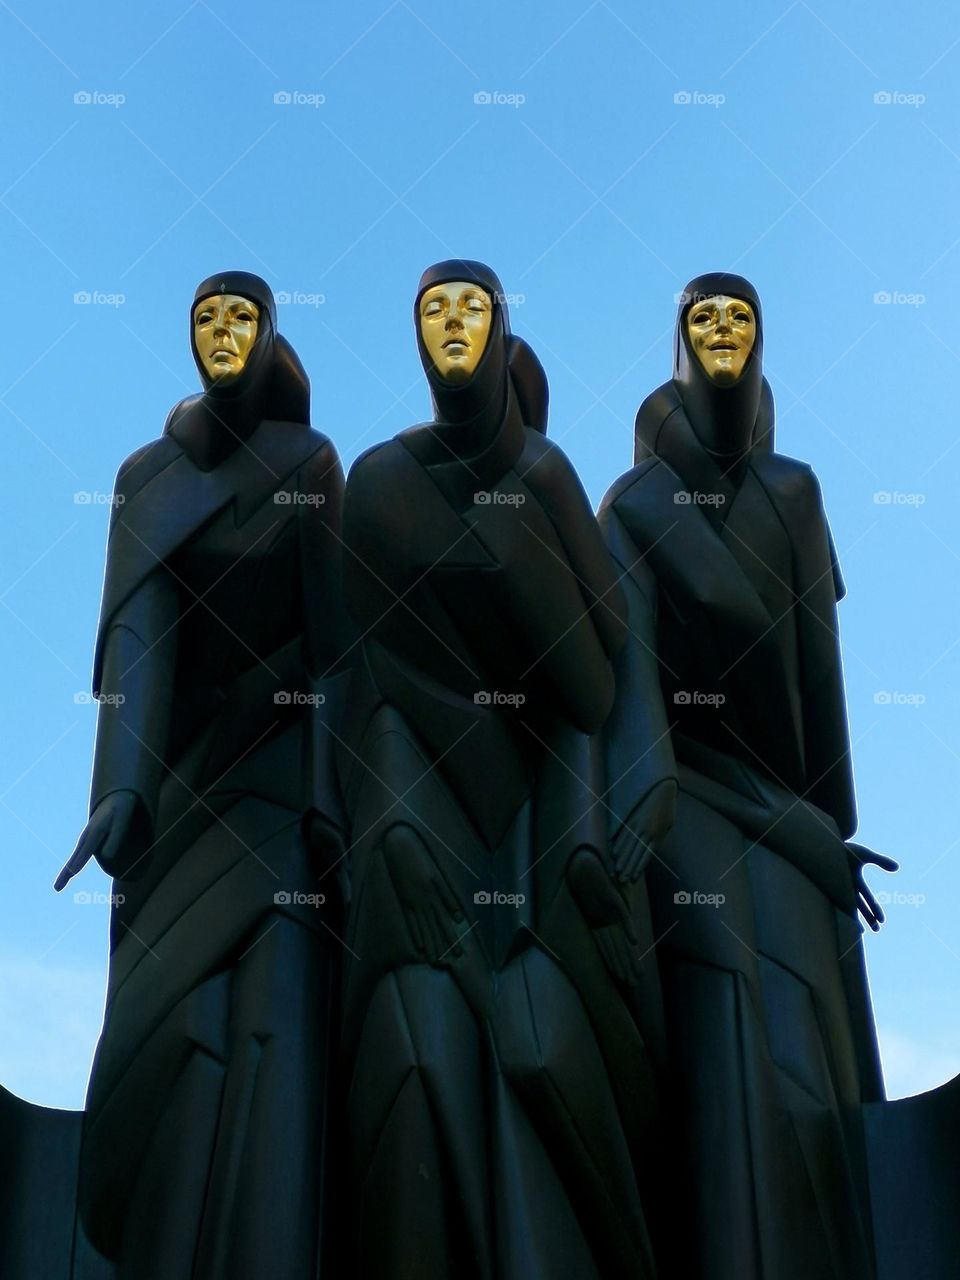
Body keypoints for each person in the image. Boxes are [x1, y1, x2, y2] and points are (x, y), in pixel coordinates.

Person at [336, 260, 664, 1279]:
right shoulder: (382, 483)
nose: (453, 323)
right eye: (433, 305)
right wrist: (390, 824)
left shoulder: (551, 484)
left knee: (542, 1041)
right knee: (417, 1039)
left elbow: (597, 683)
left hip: (543, 820)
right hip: (425, 806)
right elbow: (369, 678)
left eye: (473, 306)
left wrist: (577, 853)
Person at [599, 271, 896, 1280]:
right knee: (725, 998)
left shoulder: (795, 494)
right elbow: (632, 707)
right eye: (703, 318)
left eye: (741, 318)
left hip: (788, 815)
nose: (723, 330)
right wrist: (646, 795)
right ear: (678, 348)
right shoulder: (632, 506)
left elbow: (822, 689)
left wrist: (825, 828)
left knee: (806, 1033)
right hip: (682, 798)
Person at [56, 271, 349, 1280]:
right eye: (206, 319)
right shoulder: (148, 474)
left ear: (269, 337)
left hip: (277, 786)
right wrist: (119, 790)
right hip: (177, 797)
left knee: (273, 1014)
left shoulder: (309, 460)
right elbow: (139, 635)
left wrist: (327, 800)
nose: (222, 333)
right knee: (172, 1024)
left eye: (241, 318)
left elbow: (334, 649)